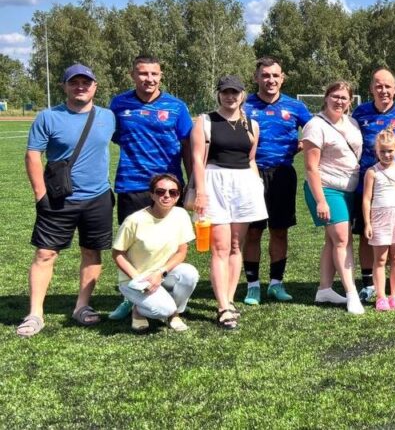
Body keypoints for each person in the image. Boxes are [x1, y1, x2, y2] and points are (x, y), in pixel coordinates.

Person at [17, 63, 117, 337]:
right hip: (59, 198)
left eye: (86, 82)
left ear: (95, 86)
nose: (80, 87)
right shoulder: (48, 117)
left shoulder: (108, 116)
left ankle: (82, 306)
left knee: (91, 252)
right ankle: (35, 313)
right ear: (65, 86)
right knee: (45, 254)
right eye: (74, 82)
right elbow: (32, 155)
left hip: (98, 197)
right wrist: (41, 195)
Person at [107, 55, 193, 322]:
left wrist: (192, 182)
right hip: (131, 183)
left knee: (170, 244)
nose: (149, 79)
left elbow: (188, 145)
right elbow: (113, 136)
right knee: (132, 246)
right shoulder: (119, 104)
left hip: (169, 188)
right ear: (133, 75)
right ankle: (131, 296)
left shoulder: (176, 107)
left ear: (161, 75)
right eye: (143, 73)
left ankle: (163, 290)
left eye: (154, 73)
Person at [191, 75, 268, 330]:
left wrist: (257, 186)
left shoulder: (252, 125)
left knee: (236, 245)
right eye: (225, 92)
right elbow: (197, 159)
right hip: (214, 183)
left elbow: (251, 159)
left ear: (242, 95)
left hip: (244, 185)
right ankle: (222, 306)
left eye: (235, 92)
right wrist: (201, 193)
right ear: (219, 94)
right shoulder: (205, 121)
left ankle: (230, 299)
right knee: (220, 247)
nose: (230, 97)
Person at [242, 57, 312, 305]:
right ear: (256, 78)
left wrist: (300, 145)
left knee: (279, 231)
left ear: (282, 78)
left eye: (275, 75)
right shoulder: (244, 105)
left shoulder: (295, 106)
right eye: (265, 75)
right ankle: (252, 286)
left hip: (283, 174)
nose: (270, 80)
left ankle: (276, 283)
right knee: (253, 232)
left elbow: (315, 132)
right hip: (251, 174)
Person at [352, 68, 395, 303]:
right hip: (368, 186)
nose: (383, 90)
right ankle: (369, 284)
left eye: (388, 86)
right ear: (371, 88)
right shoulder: (360, 113)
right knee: (367, 235)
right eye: (379, 86)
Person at [301, 81, 365, 314]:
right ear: (326, 97)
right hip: (327, 189)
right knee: (342, 240)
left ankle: (324, 289)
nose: (339, 101)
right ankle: (351, 293)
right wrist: (321, 200)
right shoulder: (315, 126)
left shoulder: (352, 122)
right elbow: (311, 167)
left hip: (349, 189)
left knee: (332, 240)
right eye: (335, 96)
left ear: (350, 101)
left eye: (344, 97)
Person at [111, 173, 198, 332]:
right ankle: (138, 309)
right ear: (152, 194)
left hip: (162, 273)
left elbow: (181, 252)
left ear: (178, 196)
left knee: (190, 274)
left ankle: (174, 313)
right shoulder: (134, 220)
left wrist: (160, 272)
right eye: (160, 191)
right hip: (136, 278)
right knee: (162, 310)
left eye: (173, 192)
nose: (167, 196)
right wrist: (138, 279)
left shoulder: (181, 215)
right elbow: (118, 253)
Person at [363, 129, 395, 311]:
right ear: (376, 151)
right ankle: (381, 297)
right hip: (379, 218)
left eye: (390, 151)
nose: (386, 155)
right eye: (382, 151)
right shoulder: (372, 172)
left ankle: (394, 295)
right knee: (380, 259)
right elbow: (366, 199)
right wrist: (367, 223)